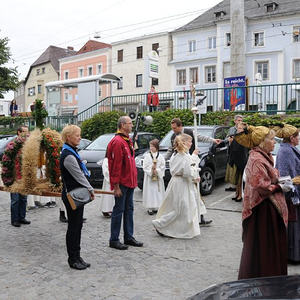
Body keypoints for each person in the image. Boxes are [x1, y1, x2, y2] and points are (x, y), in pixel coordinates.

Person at [235, 125, 290, 279]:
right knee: (265, 246)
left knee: (268, 245)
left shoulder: (263, 155)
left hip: (267, 206)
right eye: (271, 139)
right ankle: (265, 278)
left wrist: (280, 180)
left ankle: (271, 275)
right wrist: (280, 186)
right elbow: (261, 186)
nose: (274, 142)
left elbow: (267, 178)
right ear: (262, 142)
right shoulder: (256, 159)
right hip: (262, 208)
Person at [165, 118, 221, 225]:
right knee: (189, 197)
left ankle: (200, 218)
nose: (173, 130)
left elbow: (200, 137)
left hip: (192, 165)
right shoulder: (174, 137)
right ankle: (189, 219)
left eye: (175, 128)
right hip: (185, 169)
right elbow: (170, 150)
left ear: (180, 126)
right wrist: (163, 160)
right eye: (172, 128)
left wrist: (213, 140)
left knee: (196, 194)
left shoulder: (189, 132)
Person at [152, 134, 201, 238]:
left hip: (175, 182)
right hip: (182, 184)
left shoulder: (175, 154)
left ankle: (177, 227)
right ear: (184, 142)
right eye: (190, 141)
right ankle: (160, 224)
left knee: (177, 207)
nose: (191, 143)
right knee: (181, 208)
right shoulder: (184, 156)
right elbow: (187, 172)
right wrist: (194, 175)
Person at [60, 125, 95, 270]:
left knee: (78, 225)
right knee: (74, 227)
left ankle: (77, 256)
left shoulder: (72, 151)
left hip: (76, 194)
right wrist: (90, 189)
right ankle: (72, 259)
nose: (80, 138)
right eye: (77, 135)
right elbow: (78, 175)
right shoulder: (68, 155)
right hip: (72, 195)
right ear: (68, 137)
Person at [107, 116, 143, 250]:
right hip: (122, 183)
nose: (132, 125)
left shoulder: (126, 140)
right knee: (118, 210)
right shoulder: (117, 142)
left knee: (129, 210)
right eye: (130, 123)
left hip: (130, 182)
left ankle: (128, 237)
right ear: (122, 125)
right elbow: (115, 166)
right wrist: (115, 186)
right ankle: (114, 239)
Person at [275, 124, 300, 263]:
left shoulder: (290, 148)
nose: (299, 139)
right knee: (292, 225)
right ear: (292, 138)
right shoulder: (285, 151)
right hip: (291, 194)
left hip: (294, 192)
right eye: (298, 137)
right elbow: (284, 176)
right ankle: (292, 255)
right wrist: (293, 191)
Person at [10, 126, 30, 227]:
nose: (27, 134)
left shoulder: (27, 144)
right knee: (15, 199)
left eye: (28, 132)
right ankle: (14, 220)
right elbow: (8, 159)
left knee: (23, 198)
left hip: (23, 175)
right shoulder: (13, 144)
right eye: (25, 132)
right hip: (14, 176)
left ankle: (22, 217)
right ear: (19, 132)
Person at [224, 122, 248, 202]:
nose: (238, 129)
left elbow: (242, 150)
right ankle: (237, 194)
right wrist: (231, 142)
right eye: (238, 128)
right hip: (235, 160)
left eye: (240, 128)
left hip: (241, 161)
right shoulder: (237, 136)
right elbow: (232, 149)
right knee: (237, 179)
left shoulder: (244, 138)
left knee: (240, 180)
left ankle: (240, 195)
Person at [142, 139, 165, 215]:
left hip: (158, 177)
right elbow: (145, 166)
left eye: (152, 146)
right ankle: (150, 207)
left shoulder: (161, 156)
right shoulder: (147, 156)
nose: (151, 148)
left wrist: (157, 171)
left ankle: (158, 206)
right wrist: (151, 170)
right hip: (150, 178)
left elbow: (162, 166)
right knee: (150, 192)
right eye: (150, 146)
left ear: (156, 147)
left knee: (157, 191)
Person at [224, 114, 244, 192]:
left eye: (241, 120)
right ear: (235, 121)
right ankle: (234, 186)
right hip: (232, 152)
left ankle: (238, 189)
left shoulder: (244, 129)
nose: (240, 122)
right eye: (238, 120)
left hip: (240, 153)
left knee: (239, 172)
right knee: (232, 170)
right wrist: (229, 140)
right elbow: (226, 139)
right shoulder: (231, 129)